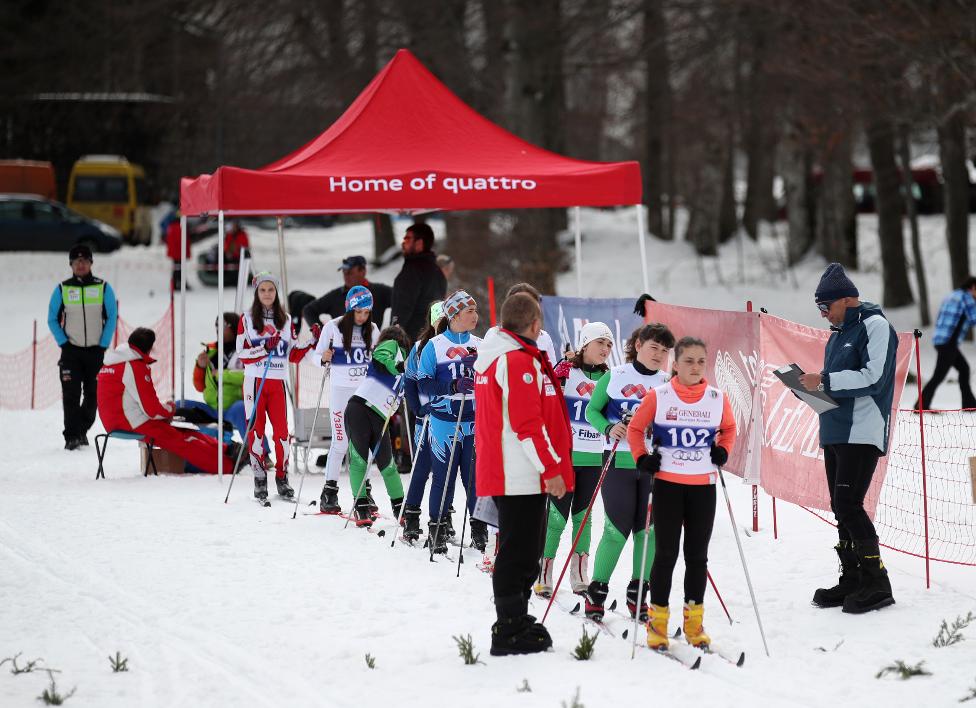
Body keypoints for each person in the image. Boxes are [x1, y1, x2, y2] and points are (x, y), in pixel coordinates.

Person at [473, 292, 574, 656]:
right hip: (518, 471)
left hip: (514, 468)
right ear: (534, 325)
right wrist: (551, 469)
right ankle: (509, 627)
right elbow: (527, 424)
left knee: (526, 550)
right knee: (519, 552)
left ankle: (516, 617)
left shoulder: (505, 355)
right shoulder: (515, 360)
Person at [626, 336, 737, 651]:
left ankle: (694, 625)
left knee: (697, 557)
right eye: (688, 361)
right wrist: (641, 458)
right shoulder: (659, 396)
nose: (695, 367)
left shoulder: (716, 398)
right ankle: (657, 624)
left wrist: (723, 450)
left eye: (701, 361)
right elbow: (635, 429)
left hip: (702, 487)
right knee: (665, 555)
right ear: (675, 365)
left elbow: (729, 429)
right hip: (668, 485)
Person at [800, 263, 898, 614]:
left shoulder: (876, 325)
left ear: (846, 299)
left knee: (848, 504)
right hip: (835, 428)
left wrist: (824, 381)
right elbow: (835, 384)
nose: (823, 314)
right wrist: (808, 390)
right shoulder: (837, 334)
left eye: (825, 306)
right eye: (819, 308)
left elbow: (874, 377)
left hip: (862, 429)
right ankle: (853, 577)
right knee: (839, 506)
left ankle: (877, 581)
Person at [583, 323, 675, 621]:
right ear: (638, 346)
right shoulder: (615, 376)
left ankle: (638, 593)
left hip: (652, 466)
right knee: (615, 530)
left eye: (664, 351)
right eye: (653, 347)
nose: (659, 355)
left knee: (649, 533)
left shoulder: (667, 383)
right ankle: (597, 591)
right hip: (618, 462)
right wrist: (609, 427)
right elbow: (592, 411)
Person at [534, 321, 614, 598]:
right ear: (584, 344)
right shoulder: (567, 371)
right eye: (600, 342)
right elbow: (545, 404)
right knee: (556, 518)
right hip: (564, 457)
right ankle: (543, 572)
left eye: (609, 344)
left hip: (593, 457)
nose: (605, 349)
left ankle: (580, 574)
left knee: (583, 519)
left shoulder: (610, 378)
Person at [97, 327, 241, 474]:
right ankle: (228, 466)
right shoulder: (134, 366)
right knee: (181, 440)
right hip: (130, 422)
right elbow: (152, 410)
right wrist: (170, 409)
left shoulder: (113, 362)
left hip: (117, 420)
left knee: (183, 431)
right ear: (149, 348)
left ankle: (227, 449)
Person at [236, 272, 314, 503]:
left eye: (271, 290)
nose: (267, 294)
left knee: (281, 433)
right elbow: (241, 354)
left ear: (276, 292)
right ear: (256, 293)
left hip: (277, 382)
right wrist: (263, 349)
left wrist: (312, 342)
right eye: (263, 290)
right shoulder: (247, 319)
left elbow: (293, 354)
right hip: (255, 381)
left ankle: (282, 477)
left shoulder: (286, 320)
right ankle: (260, 478)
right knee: (256, 431)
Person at [417, 289, 484, 552]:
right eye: (470, 311)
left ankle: (479, 529)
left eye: (476, 310)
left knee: (474, 479)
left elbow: (493, 382)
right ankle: (437, 528)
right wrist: (453, 385)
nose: (475, 316)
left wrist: (480, 372)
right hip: (444, 422)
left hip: (473, 422)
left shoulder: (480, 344)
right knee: (443, 477)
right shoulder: (434, 346)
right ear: (454, 315)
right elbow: (423, 384)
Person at [311, 285, 381, 514]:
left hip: (364, 393)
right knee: (340, 443)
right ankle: (329, 493)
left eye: (366, 312)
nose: (362, 317)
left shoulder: (373, 329)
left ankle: (364, 491)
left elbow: (379, 357)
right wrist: (324, 357)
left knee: (363, 444)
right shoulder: (333, 327)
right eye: (358, 312)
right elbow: (314, 357)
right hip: (341, 392)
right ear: (350, 309)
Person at [48, 244, 118, 450]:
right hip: (71, 352)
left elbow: (112, 317)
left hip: (95, 352)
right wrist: (63, 343)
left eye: (85, 260)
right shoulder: (62, 289)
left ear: (91, 263)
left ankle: (81, 430)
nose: (81, 264)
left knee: (94, 395)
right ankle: (71, 436)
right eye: (77, 261)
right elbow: (52, 319)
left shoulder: (103, 287)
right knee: (70, 395)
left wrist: (103, 345)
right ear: (71, 264)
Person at [344, 325, 411, 526]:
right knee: (359, 461)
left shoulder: (409, 366)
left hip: (380, 417)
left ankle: (400, 508)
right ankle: (361, 507)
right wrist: (399, 366)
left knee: (388, 466)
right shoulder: (392, 345)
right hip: (360, 408)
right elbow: (381, 357)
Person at [400, 301, 443, 543]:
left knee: (444, 473)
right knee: (422, 469)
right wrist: (417, 409)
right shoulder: (420, 347)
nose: (443, 325)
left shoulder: (454, 346)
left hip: (448, 418)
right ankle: (412, 516)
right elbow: (409, 382)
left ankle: (443, 518)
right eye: (439, 321)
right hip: (426, 418)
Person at [917, 276, 976, 410]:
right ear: (973, 287)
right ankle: (921, 404)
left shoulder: (952, 295)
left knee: (964, 369)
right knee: (939, 375)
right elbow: (974, 318)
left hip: (941, 339)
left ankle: (970, 404)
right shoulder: (967, 298)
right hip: (949, 342)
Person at [391, 222, 448, 342]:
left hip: (409, 342)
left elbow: (402, 309)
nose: (403, 243)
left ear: (419, 243)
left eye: (407, 239)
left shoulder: (411, 272)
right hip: (433, 340)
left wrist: (392, 337)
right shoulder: (438, 272)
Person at [302, 255, 393, 327]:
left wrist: (394, 328)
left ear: (363, 271)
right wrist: (321, 333)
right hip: (341, 344)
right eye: (344, 273)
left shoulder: (379, 291)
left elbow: (400, 300)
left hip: (371, 344)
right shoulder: (336, 296)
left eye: (350, 273)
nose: (346, 276)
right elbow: (309, 310)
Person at [165, 216, 191, 291]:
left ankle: (175, 284)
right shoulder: (182, 227)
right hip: (180, 252)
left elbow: (168, 240)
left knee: (176, 269)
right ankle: (181, 284)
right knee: (180, 268)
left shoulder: (171, 227)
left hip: (174, 252)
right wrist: (187, 253)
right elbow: (185, 241)